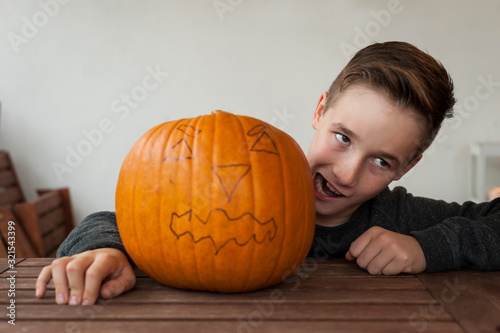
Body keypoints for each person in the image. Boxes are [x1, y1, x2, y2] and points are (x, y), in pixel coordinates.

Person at [35, 41, 500, 306]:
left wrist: (428, 246)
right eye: (343, 137)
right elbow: (117, 219)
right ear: (320, 110)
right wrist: (104, 249)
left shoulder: (396, 217)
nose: (348, 172)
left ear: (408, 167)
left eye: (382, 161)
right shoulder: (239, 181)